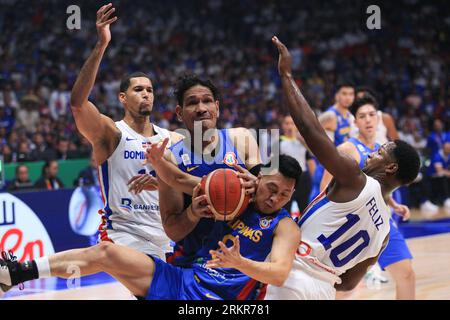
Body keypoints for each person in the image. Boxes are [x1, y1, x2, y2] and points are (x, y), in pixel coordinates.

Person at [0, 156, 301, 300]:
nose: (275, 198)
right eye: (271, 188)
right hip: (183, 279)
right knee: (107, 252)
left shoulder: (284, 225)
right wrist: (160, 173)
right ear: (257, 180)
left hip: (219, 300)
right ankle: (15, 273)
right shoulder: (234, 193)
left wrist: (240, 263)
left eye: (285, 194)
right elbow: (188, 183)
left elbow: (278, 272)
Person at [265, 36, 421, 300]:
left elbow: (309, 128)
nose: (372, 154)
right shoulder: (383, 231)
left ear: (391, 168)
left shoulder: (356, 179)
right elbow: (348, 284)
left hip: (291, 276)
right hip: (323, 291)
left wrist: (287, 74)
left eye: (380, 153)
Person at [68, 4, 182, 260]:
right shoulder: (111, 133)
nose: (146, 94)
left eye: (150, 90)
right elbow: (77, 104)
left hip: (170, 235)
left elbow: (186, 186)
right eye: (138, 89)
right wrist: (102, 45)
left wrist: (163, 183)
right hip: (127, 234)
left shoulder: (172, 138)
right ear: (122, 97)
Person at [142, 74, 261, 267]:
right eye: (192, 103)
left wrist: (258, 186)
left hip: (248, 258)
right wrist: (192, 213)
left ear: (217, 107)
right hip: (198, 262)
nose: (201, 108)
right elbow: (172, 230)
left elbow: (266, 202)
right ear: (179, 113)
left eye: (207, 101)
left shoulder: (241, 139)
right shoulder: (170, 158)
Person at [320, 95, 416, 300]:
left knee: (406, 274)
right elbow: (325, 187)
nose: (368, 120)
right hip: (352, 225)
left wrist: (394, 204)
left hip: (381, 222)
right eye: (362, 116)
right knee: (343, 289)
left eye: (372, 114)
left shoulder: (384, 149)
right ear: (355, 122)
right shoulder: (348, 148)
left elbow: (381, 188)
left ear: (379, 118)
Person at [279, 115, 312, 213]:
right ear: (283, 126)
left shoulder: (302, 141)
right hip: (286, 178)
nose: (290, 126)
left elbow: (310, 158)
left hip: (303, 178)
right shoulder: (278, 141)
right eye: (287, 123)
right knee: (285, 208)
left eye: (292, 123)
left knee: (304, 208)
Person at [427, 140, 450, 214]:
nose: (448, 150)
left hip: (443, 175)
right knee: (443, 177)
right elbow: (439, 171)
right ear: (443, 148)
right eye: (447, 148)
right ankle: (446, 199)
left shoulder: (448, 155)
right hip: (432, 177)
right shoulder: (437, 155)